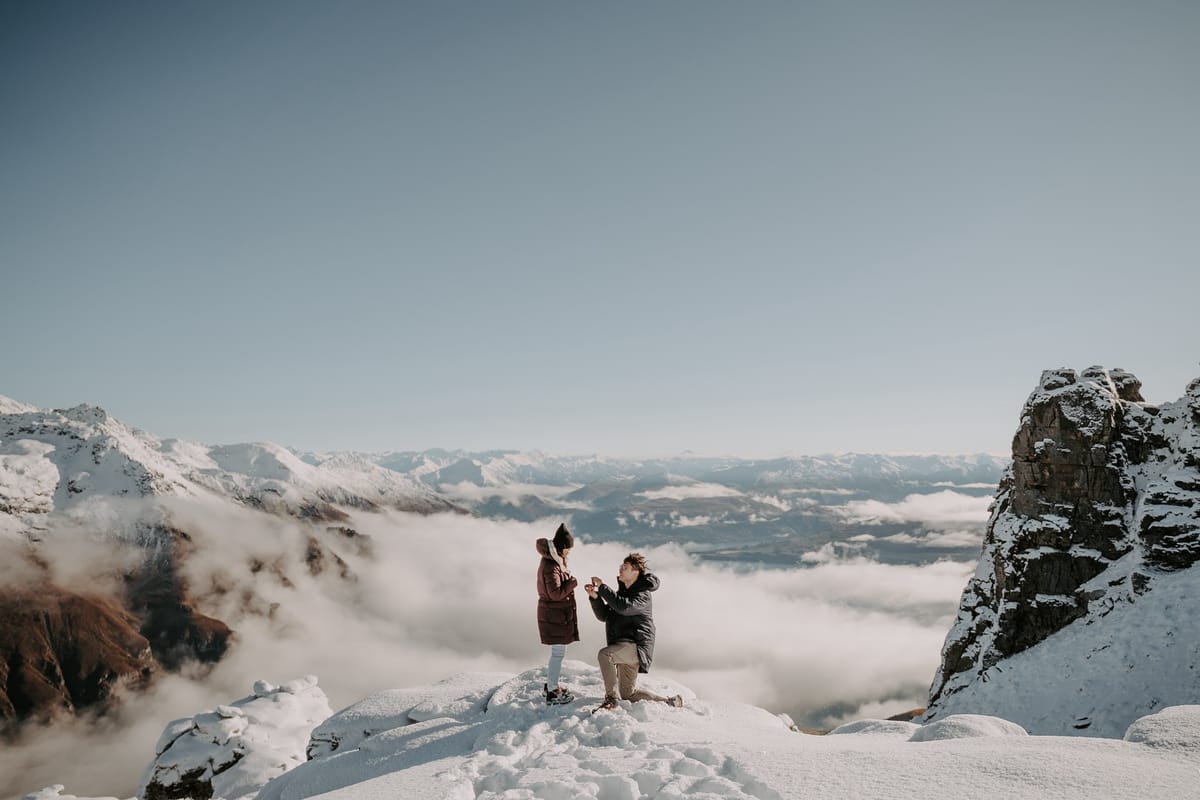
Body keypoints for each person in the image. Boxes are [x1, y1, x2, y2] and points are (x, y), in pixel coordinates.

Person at [586, 552, 683, 711]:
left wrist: (603, 587)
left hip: (635, 647)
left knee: (605, 654)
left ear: (636, 572)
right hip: (624, 648)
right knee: (628, 694)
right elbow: (604, 616)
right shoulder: (622, 595)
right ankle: (669, 701)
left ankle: (611, 698)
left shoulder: (642, 594)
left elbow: (623, 607)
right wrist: (595, 598)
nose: (621, 570)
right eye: (620, 567)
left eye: (625, 567)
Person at [536, 523, 579, 705]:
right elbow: (555, 594)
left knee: (557, 652)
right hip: (554, 616)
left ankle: (551, 685)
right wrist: (572, 582)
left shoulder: (553, 562)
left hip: (555, 615)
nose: (569, 553)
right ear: (561, 548)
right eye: (568, 549)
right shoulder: (551, 566)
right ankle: (553, 691)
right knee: (558, 653)